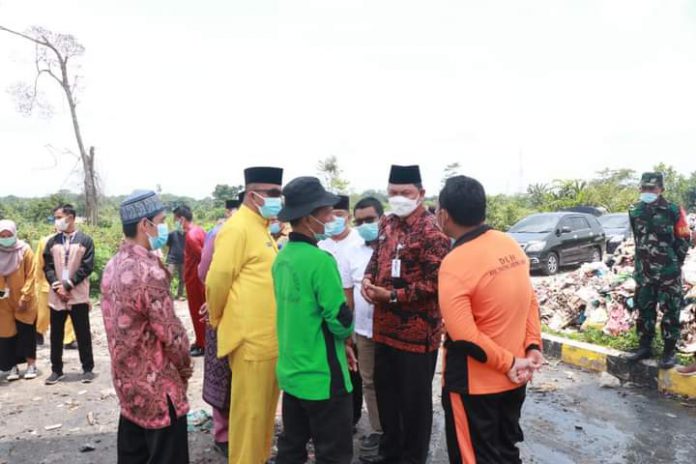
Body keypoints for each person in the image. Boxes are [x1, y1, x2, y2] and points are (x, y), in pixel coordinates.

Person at [436, 175, 542, 463]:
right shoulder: (510, 245)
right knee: (507, 452)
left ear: (444, 214)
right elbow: (530, 300)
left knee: (473, 457)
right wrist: (532, 347)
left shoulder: (455, 262)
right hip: (515, 380)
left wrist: (508, 362)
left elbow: (464, 336)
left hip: (475, 385)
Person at [360, 165, 451, 464]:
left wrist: (394, 296)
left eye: (405, 193)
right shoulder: (387, 222)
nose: (398, 198)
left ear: (421, 194)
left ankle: (412, 458)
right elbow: (376, 258)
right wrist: (367, 280)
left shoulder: (432, 231)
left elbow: (436, 283)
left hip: (416, 336)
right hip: (384, 330)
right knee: (387, 401)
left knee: (414, 406)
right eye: (393, 193)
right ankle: (390, 454)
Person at [101, 190, 193, 464]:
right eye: (161, 220)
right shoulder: (148, 271)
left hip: (127, 385)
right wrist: (185, 364)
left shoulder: (112, 265)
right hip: (158, 389)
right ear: (145, 225)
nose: (164, 227)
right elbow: (171, 334)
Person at [273, 176, 356, 464]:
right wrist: (346, 338)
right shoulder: (321, 261)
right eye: (326, 212)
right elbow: (339, 319)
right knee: (334, 453)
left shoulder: (281, 257)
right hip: (323, 377)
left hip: (292, 372)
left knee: (291, 448)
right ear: (309, 219)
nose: (332, 217)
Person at [206, 167, 284, 464]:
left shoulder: (261, 227)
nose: (279, 199)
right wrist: (216, 318)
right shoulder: (237, 228)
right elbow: (217, 280)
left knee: (263, 419)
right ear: (253, 195)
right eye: (273, 193)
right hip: (251, 343)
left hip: (267, 341)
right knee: (249, 418)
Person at [627, 172, 691, 369]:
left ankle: (669, 351)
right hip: (644, 271)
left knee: (670, 311)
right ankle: (645, 346)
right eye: (644, 188)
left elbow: (684, 238)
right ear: (640, 189)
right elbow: (638, 240)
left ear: (661, 189)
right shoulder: (635, 211)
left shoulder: (673, 210)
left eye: (652, 188)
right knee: (644, 309)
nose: (648, 192)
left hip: (668, 272)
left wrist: (673, 262)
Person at [340, 196, 385, 455]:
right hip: (364, 331)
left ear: (382, 218)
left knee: (393, 382)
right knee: (369, 382)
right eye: (360, 221)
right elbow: (348, 296)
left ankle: (398, 429)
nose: (365, 225)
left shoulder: (393, 248)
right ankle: (379, 430)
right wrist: (348, 335)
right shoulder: (353, 252)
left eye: (370, 219)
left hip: (393, 332)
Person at [197, 195, 241, 458]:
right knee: (222, 373)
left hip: (248, 318)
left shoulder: (267, 234)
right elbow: (206, 274)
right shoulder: (220, 234)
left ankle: (234, 431)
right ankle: (223, 433)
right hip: (222, 312)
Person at [318, 194, 365, 433]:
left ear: (348, 215)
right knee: (332, 368)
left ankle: (352, 417)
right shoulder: (321, 244)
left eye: (339, 214)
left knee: (353, 370)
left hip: (353, 321)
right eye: (330, 215)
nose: (334, 219)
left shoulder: (358, 242)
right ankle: (332, 414)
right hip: (328, 318)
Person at [43, 204, 95, 385]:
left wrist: (68, 285)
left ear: (71, 217)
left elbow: (87, 267)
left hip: (78, 294)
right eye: (55, 218)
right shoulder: (52, 242)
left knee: (82, 332)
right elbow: (47, 266)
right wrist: (57, 285)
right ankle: (56, 370)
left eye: (59, 217)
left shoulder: (85, 240)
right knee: (56, 334)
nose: (57, 221)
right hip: (57, 296)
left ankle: (87, 369)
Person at [0, 220, 38, 381]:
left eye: (9, 235)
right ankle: (12, 366)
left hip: (24, 299)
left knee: (26, 332)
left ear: (15, 233)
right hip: (3, 300)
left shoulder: (24, 250)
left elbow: (32, 274)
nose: (6, 238)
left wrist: (25, 296)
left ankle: (31, 365)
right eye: (2, 235)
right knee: (7, 335)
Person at [35, 220, 76, 348]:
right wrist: (38, 283)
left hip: (66, 284)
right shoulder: (45, 241)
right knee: (43, 313)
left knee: (68, 310)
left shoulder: (74, 241)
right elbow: (39, 264)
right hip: (47, 284)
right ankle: (38, 333)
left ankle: (68, 340)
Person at [174, 205, 207, 357]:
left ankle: (202, 344)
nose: (175, 223)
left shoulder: (191, 236)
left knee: (197, 312)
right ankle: (201, 340)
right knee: (201, 311)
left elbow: (204, 257)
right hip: (198, 278)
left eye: (175, 220)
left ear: (181, 219)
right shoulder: (199, 230)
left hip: (195, 279)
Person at [166, 225, 185, 300]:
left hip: (183, 260)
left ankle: (179, 295)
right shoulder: (172, 234)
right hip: (172, 259)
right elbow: (168, 244)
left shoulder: (187, 235)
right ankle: (167, 295)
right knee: (168, 277)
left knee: (182, 278)